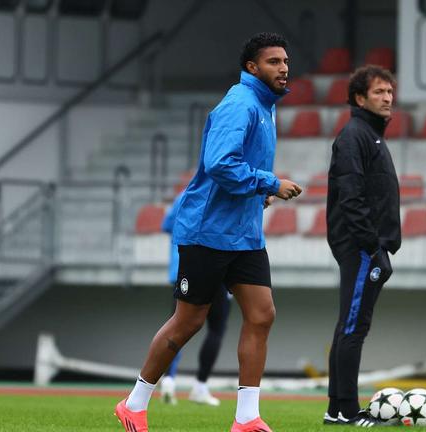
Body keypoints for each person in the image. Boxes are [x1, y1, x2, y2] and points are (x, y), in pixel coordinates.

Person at [114, 32, 303, 432]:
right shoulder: (240, 104)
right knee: (188, 322)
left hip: (243, 233)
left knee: (262, 314)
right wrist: (269, 183)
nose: (283, 67)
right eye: (273, 62)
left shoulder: (266, 107)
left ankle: (247, 418)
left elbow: (235, 171)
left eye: (285, 61)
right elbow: (219, 163)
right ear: (252, 68)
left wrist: (258, 194)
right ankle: (133, 404)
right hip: (207, 232)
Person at [323, 65, 401, 427]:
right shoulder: (355, 135)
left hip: (364, 246)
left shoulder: (370, 135)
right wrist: (373, 248)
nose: (388, 98)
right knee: (354, 327)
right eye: (379, 92)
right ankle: (347, 411)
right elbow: (351, 197)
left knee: (349, 326)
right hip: (359, 246)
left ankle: (337, 408)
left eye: (390, 92)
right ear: (359, 98)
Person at [158, 191, 231, 407]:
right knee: (216, 327)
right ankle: (200, 385)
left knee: (177, 325)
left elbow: (166, 225)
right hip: (215, 268)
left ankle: (169, 380)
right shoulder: (224, 191)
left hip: (181, 268)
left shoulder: (184, 195)